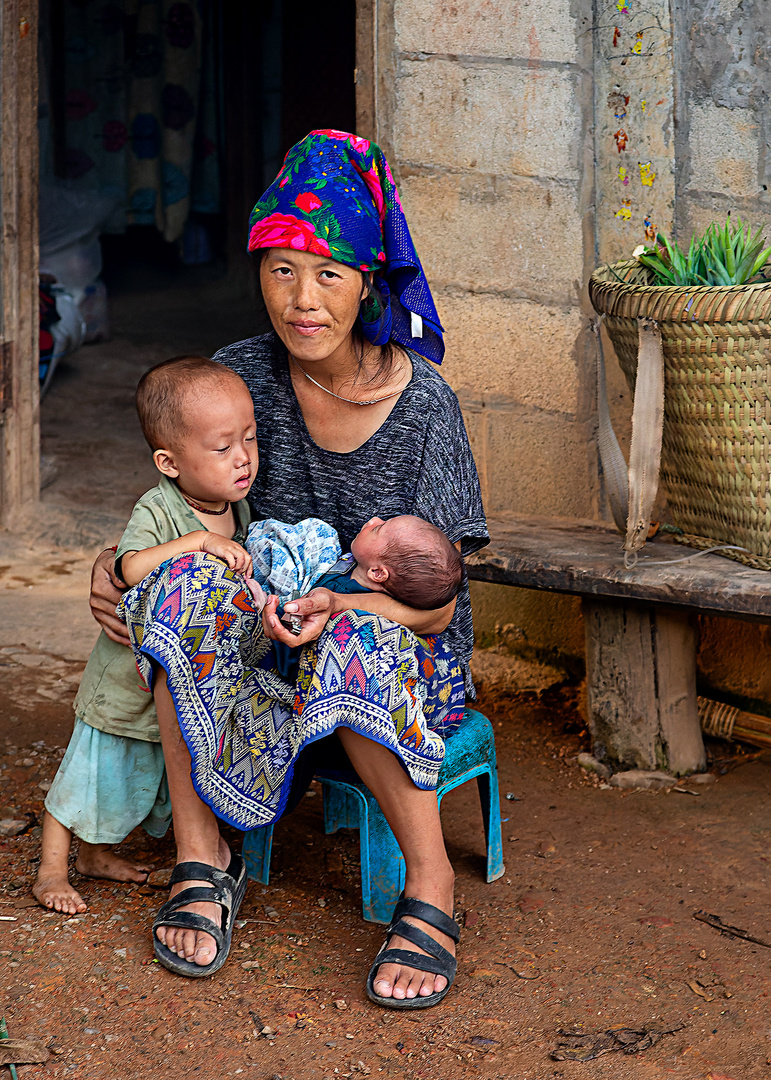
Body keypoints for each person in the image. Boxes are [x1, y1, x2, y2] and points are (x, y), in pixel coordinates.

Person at [91, 129, 488, 1006]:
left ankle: (431, 884)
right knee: (178, 586)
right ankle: (205, 857)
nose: (302, 300)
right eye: (281, 269)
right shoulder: (239, 375)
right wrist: (116, 564)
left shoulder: (422, 406)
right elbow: (179, 502)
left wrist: (342, 610)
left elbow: (437, 603)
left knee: (358, 630)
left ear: (366, 281)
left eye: (329, 274)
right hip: (264, 634)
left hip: (396, 650)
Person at [33, 356, 255, 914]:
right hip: (124, 679)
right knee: (89, 774)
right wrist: (196, 545)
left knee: (144, 771)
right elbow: (128, 567)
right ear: (169, 462)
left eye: (249, 439)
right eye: (223, 447)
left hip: (177, 683)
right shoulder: (160, 507)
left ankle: (95, 857)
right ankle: (51, 871)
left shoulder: (237, 507)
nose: (243, 458)